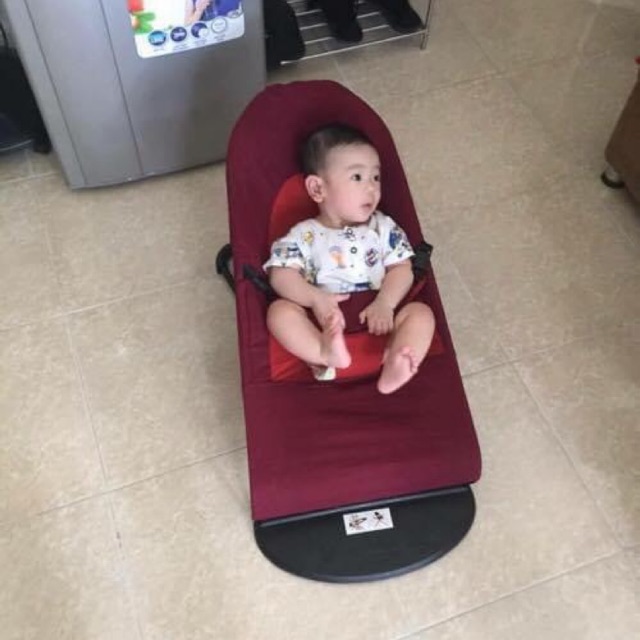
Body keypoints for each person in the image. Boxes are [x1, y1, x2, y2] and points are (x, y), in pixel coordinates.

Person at [264, 124, 435, 394]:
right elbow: (280, 275)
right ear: (317, 188)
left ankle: (396, 360)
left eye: (376, 177)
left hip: (381, 319)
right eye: (357, 177)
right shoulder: (304, 235)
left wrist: (386, 303)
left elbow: (402, 268)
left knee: (421, 314)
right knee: (279, 313)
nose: (371, 187)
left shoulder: (383, 228)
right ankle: (323, 353)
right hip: (323, 323)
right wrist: (315, 299)